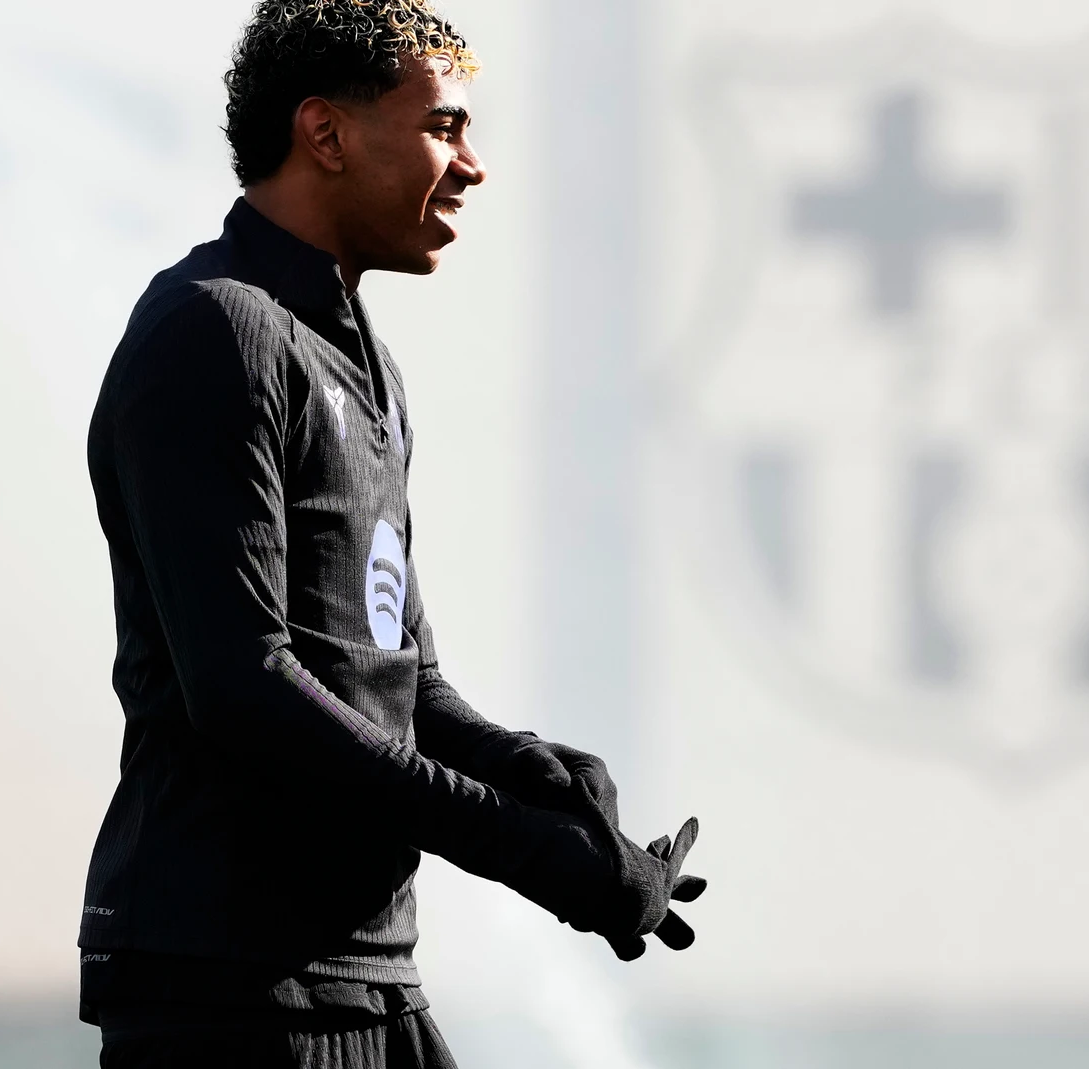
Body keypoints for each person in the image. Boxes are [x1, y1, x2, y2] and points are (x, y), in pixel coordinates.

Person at [79, 3, 704, 1065]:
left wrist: (543, 781)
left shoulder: (365, 362)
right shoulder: (213, 329)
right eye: (444, 127)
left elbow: (401, 679)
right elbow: (244, 687)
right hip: (227, 992)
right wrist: (523, 851)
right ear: (325, 134)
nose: (472, 166)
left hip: (366, 982)